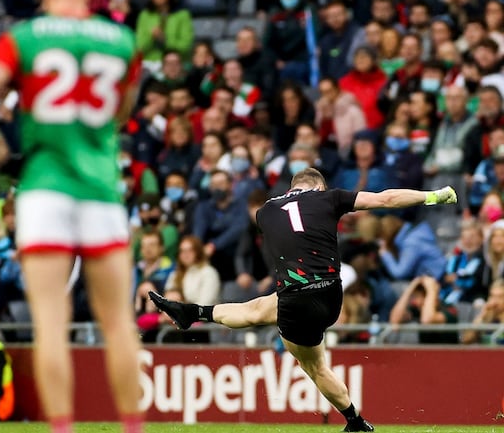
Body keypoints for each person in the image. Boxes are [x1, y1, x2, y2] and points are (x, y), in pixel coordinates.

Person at [0, 0, 145, 432]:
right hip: (100, 186)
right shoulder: (121, 40)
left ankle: (62, 428)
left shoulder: (25, 37)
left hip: (44, 188)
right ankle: (133, 428)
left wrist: (2, 156)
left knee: (50, 323)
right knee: (118, 323)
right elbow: (123, 109)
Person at [150, 167, 459, 432]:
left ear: (292, 187)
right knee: (258, 309)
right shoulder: (329, 197)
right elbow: (386, 199)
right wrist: (434, 196)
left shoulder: (265, 211)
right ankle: (355, 422)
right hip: (329, 294)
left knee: (313, 366)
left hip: (294, 302)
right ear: (318, 186)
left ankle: (353, 418)